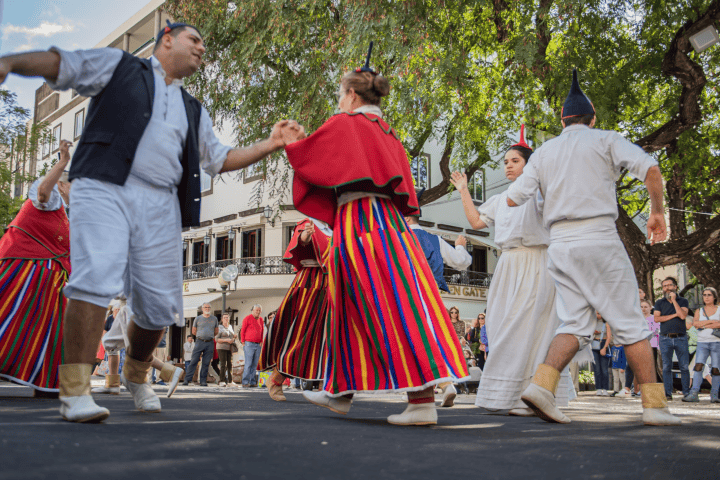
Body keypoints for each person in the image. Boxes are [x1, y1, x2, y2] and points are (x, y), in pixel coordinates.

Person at [0, 21, 305, 423]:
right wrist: (10, 62)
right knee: (94, 278)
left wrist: (272, 143)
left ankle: (136, 372)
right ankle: (75, 391)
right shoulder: (119, 66)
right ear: (167, 38)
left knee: (161, 305)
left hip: (161, 202)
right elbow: (62, 63)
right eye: (194, 40)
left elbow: (220, 159)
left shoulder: (193, 109)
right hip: (104, 185)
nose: (201, 49)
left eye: (203, 44)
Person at [286, 45, 469, 426]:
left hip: (359, 221)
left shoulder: (346, 122)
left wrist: (290, 141)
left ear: (352, 94)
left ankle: (421, 402)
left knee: (388, 305)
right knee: (357, 302)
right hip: (388, 224)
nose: (339, 102)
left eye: (341, 94)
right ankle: (340, 391)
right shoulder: (388, 131)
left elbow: (308, 157)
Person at [505, 69, 679, 425]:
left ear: (563, 121)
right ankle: (655, 406)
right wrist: (657, 212)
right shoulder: (605, 139)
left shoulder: (544, 152)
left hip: (560, 244)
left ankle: (541, 386)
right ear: (592, 117)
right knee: (631, 323)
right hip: (598, 238)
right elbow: (651, 169)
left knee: (574, 322)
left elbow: (513, 198)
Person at [451, 126, 577, 416]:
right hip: (507, 265)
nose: (508, 165)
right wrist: (464, 191)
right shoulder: (500, 199)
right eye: (506, 161)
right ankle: (509, 394)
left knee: (531, 328)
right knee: (500, 326)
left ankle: (533, 394)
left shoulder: (542, 193)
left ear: (529, 165)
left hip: (537, 262)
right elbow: (476, 221)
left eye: (515, 161)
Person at [0, 140, 72, 395]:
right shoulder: (50, 198)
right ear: (62, 184)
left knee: (40, 332)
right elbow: (42, 192)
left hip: (47, 281)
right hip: (24, 271)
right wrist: (62, 162)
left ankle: (42, 378)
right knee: (8, 318)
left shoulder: (64, 213)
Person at [404, 207, 471, 408]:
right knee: (433, 339)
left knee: (414, 342)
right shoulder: (435, 240)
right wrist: (460, 247)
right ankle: (444, 383)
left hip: (408, 295)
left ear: (407, 218)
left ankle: (432, 388)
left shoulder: (399, 238)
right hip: (432, 295)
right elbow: (461, 262)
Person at [258, 219, 332, 402]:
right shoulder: (308, 223)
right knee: (301, 335)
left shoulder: (338, 227)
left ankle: (327, 387)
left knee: (330, 336)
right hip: (310, 283)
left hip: (333, 283)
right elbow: (300, 242)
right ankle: (276, 378)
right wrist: (306, 235)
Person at [92, 297, 184, 402]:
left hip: (131, 307)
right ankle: (112, 384)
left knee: (135, 349)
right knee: (109, 342)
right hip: (126, 307)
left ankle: (171, 372)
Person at [655, 277, 691, 400]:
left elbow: (682, 316)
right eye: (664, 286)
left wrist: (674, 301)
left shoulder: (683, 301)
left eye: (669, 285)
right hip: (665, 338)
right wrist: (675, 314)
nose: (667, 288)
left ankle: (686, 393)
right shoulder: (659, 302)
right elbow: (657, 318)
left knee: (684, 367)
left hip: (681, 338)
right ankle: (668, 393)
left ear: (675, 287)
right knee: (666, 367)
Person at [683, 287, 720, 403]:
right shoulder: (699, 310)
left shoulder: (719, 309)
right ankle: (694, 393)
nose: (706, 297)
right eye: (704, 295)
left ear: (714, 297)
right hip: (702, 342)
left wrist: (703, 325)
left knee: (716, 369)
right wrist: (711, 322)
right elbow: (695, 324)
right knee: (698, 367)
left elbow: (719, 324)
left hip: (716, 342)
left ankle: (714, 395)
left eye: (709, 295)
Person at [183, 303, 219, 386]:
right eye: (205, 307)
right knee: (194, 361)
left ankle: (203, 381)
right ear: (202, 309)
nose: (207, 309)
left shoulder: (214, 319)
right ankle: (187, 380)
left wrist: (208, 336)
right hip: (199, 342)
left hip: (210, 342)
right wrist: (201, 336)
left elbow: (216, 331)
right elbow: (193, 331)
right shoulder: (198, 318)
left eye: (208, 307)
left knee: (206, 363)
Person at [240, 305, 264, 388]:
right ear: (252, 310)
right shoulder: (247, 318)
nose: (258, 312)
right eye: (256, 310)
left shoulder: (261, 319)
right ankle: (245, 382)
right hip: (249, 344)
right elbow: (242, 330)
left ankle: (253, 381)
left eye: (259, 310)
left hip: (258, 344)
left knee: (255, 364)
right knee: (248, 364)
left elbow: (262, 330)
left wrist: (261, 341)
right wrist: (243, 342)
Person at [591, 315, 612, 397]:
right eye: (596, 313)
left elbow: (609, 337)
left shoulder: (606, 323)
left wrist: (604, 348)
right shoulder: (592, 323)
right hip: (594, 344)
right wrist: (593, 332)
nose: (597, 315)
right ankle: (598, 388)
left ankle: (605, 388)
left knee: (604, 369)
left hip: (603, 343)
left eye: (599, 313)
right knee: (597, 369)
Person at [216, 313, 236, 387]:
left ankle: (230, 381)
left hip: (229, 348)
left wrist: (233, 338)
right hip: (221, 347)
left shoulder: (230, 327)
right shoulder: (219, 327)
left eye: (227, 317)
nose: (226, 319)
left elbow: (232, 336)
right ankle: (222, 381)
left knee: (230, 364)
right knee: (223, 364)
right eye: (225, 317)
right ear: (222, 319)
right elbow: (217, 339)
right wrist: (226, 340)